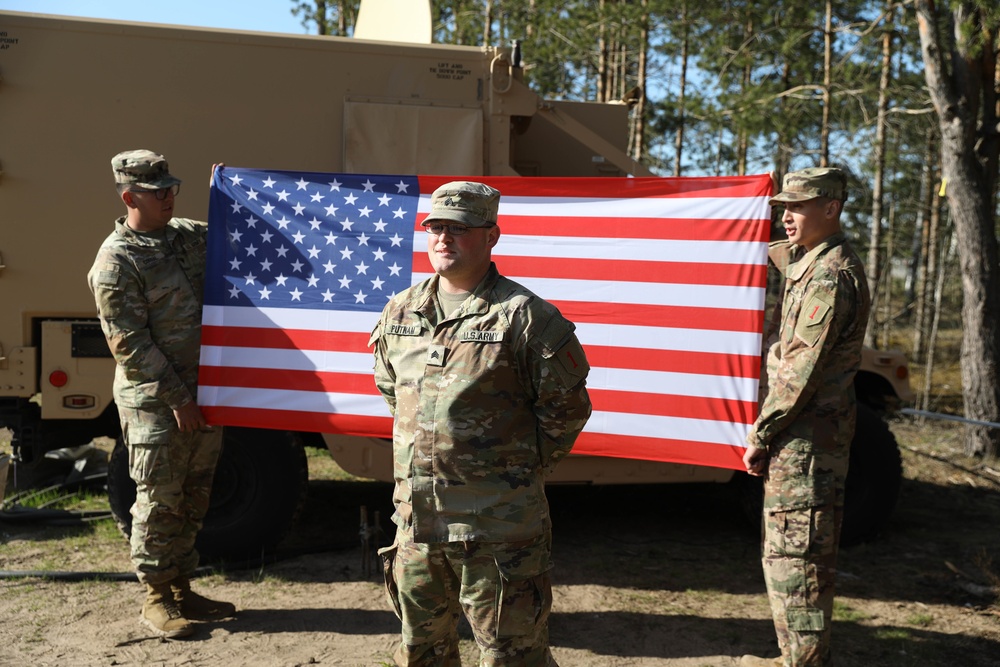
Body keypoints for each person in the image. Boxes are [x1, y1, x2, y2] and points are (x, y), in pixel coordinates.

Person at [371, 181, 593, 666]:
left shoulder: (526, 317)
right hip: (418, 525)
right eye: (436, 228)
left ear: (492, 236)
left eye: (460, 229)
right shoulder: (401, 311)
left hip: (497, 531)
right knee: (421, 652)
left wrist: (508, 473)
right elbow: (394, 391)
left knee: (513, 656)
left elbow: (566, 410)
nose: (444, 239)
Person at [88, 150, 235, 638]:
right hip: (158, 403)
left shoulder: (187, 236)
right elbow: (129, 345)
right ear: (130, 197)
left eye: (172, 188)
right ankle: (155, 596)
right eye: (158, 192)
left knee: (196, 494)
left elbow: (244, 241)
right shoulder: (116, 261)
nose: (170, 197)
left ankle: (182, 586)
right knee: (159, 499)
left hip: (204, 392)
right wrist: (179, 400)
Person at [740, 167, 872, 667]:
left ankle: (803, 661)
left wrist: (762, 431)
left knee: (800, 561)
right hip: (805, 440)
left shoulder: (829, 276)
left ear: (831, 209)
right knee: (788, 556)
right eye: (783, 207)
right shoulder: (814, 265)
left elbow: (799, 370)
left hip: (806, 443)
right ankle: (796, 656)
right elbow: (786, 260)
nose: (786, 217)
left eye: (796, 207)